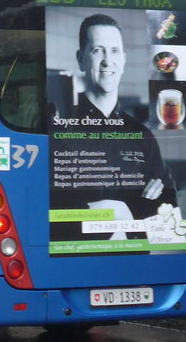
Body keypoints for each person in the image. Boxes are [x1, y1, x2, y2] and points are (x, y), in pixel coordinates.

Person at [51, 13, 178, 240]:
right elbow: (53, 216)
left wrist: (120, 213)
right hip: (77, 264)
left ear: (124, 60)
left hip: (134, 263)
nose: (107, 61)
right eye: (97, 50)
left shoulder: (142, 136)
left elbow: (169, 219)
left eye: (114, 51)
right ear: (81, 59)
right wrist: (127, 210)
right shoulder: (58, 131)